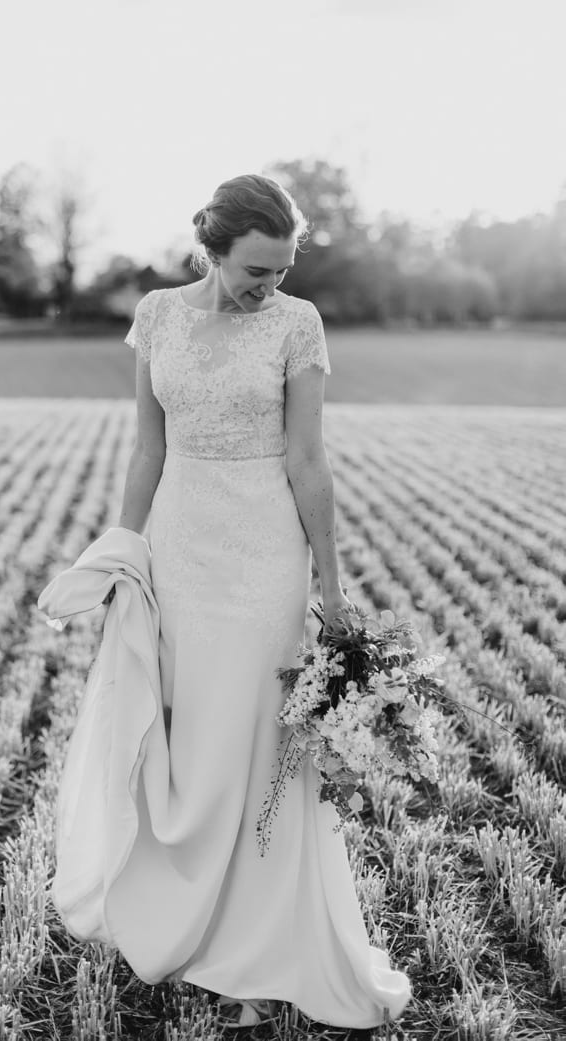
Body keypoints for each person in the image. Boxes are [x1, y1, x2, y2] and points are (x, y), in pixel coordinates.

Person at [53, 174, 410, 1030]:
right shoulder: (160, 315)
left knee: (253, 734)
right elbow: (146, 450)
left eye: (283, 269)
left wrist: (331, 585)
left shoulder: (298, 324)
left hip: (264, 555)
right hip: (179, 543)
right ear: (211, 250)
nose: (270, 286)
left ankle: (258, 938)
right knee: (183, 727)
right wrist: (124, 556)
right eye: (256, 269)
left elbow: (310, 462)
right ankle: (183, 911)